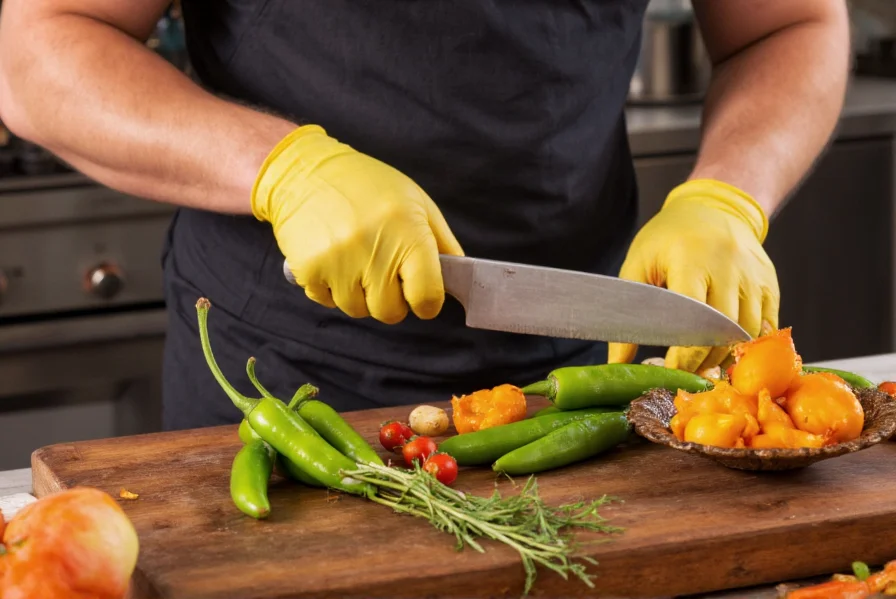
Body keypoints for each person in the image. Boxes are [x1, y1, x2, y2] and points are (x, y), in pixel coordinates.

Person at [0, 1, 849, 430]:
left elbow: (790, 22)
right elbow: (39, 44)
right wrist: (283, 168)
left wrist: (727, 196)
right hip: (280, 385)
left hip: (589, 375)